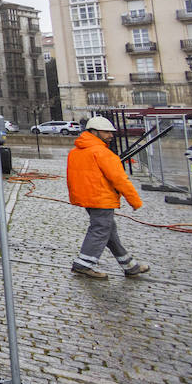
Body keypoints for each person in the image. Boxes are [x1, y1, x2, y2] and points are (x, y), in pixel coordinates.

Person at [67, 116, 149, 279]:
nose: (111, 135)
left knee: (108, 231)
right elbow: (119, 179)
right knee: (100, 230)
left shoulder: (76, 152)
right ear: (94, 132)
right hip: (101, 199)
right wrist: (135, 201)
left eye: (111, 132)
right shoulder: (102, 153)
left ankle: (129, 265)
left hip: (88, 199)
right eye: (106, 132)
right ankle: (84, 264)